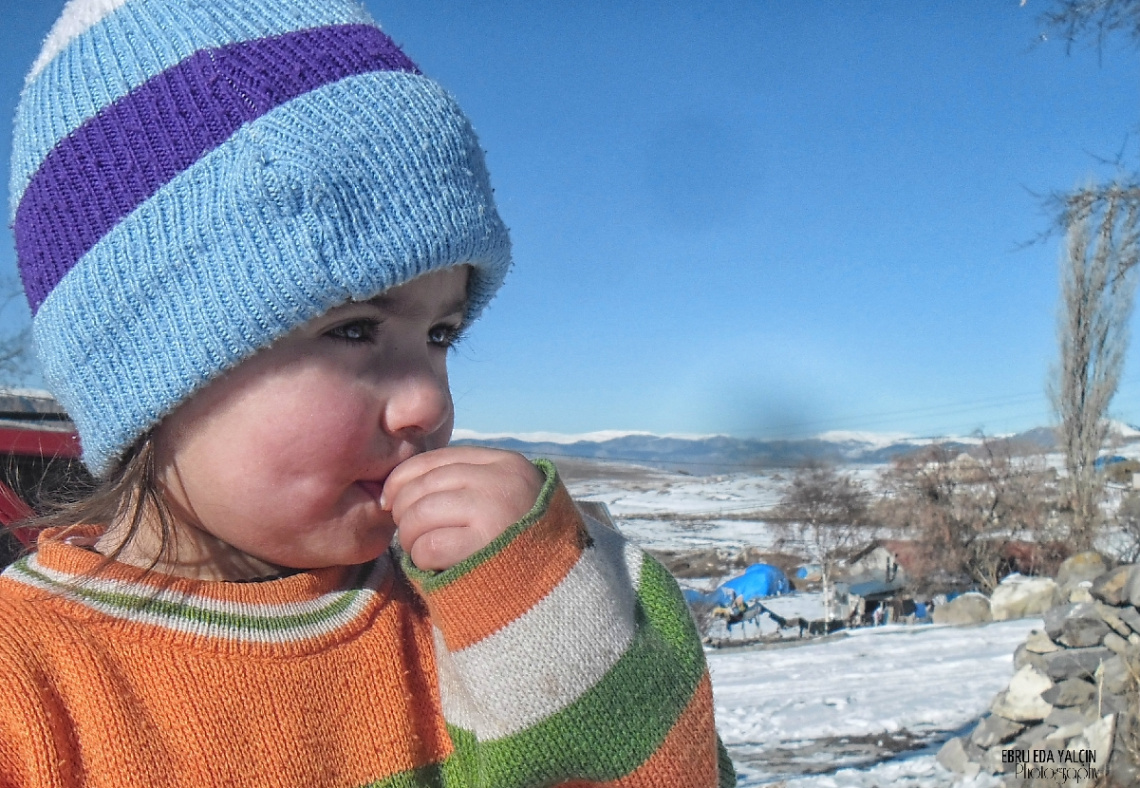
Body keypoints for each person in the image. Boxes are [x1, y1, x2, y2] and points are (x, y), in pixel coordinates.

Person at [0, 1, 736, 786]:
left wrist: (548, 616)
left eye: (441, 334)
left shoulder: (471, 616)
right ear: (148, 378)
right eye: (353, 330)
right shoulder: (29, 684)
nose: (428, 403)